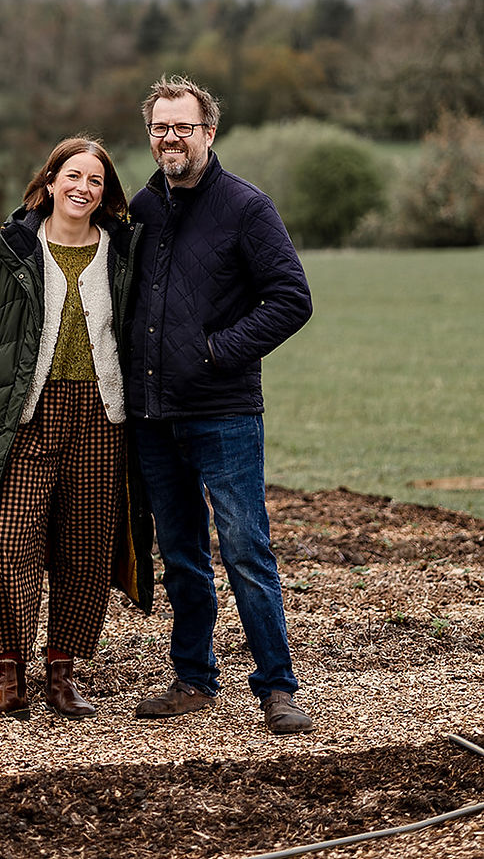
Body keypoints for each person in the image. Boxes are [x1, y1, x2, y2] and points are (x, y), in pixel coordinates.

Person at [0, 136, 154, 722]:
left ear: (105, 193)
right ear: (51, 180)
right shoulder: (12, 247)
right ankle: (9, 676)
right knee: (8, 542)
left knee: (85, 547)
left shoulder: (123, 250)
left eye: (96, 180)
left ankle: (63, 674)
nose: (83, 188)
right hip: (29, 416)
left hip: (103, 416)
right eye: (74, 176)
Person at [127, 76, 315, 735]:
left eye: (183, 127)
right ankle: (194, 680)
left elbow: (292, 299)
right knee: (181, 556)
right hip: (154, 417)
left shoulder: (246, 207)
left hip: (224, 412)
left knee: (245, 551)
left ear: (209, 132)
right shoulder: (141, 209)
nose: (170, 138)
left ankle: (277, 688)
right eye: (160, 128)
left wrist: (215, 352)